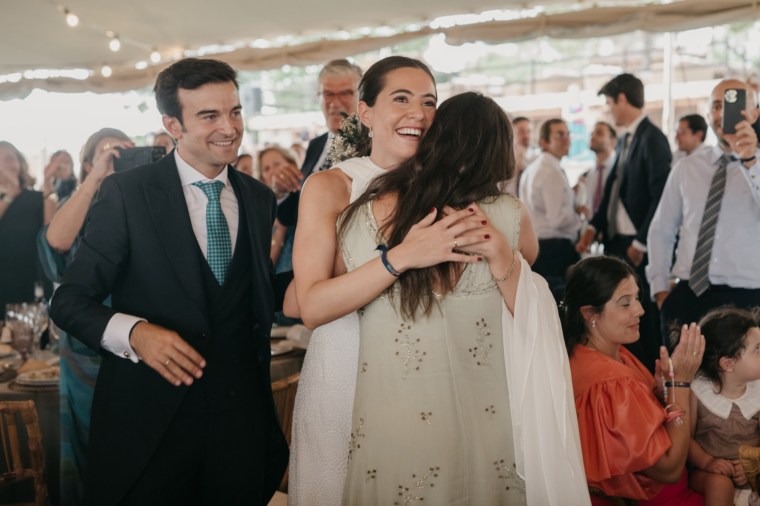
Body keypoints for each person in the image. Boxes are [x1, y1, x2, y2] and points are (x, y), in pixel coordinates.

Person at [50, 58, 292, 506]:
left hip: (239, 426)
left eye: (235, 112)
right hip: (150, 428)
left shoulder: (258, 198)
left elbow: (246, 292)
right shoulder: (128, 193)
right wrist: (136, 334)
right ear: (172, 125)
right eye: (210, 116)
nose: (230, 128)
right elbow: (68, 300)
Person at [335, 91, 587, 504]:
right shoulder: (510, 216)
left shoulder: (368, 212)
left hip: (394, 411)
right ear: (499, 151)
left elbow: (332, 292)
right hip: (490, 411)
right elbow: (527, 303)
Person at [288, 55, 456, 505]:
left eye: (428, 102)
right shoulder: (331, 186)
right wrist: (400, 257)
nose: (418, 113)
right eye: (401, 99)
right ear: (365, 112)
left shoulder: (448, 187)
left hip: (426, 375)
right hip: (345, 368)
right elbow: (311, 306)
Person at [561, 255, 705, 505]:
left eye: (637, 298)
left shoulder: (595, 351)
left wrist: (661, 395)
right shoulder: (610, 381)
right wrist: (680, 384)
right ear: (590, 313)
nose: (640, 310)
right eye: (625, 303)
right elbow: (669, 469)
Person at [38, 128, 133, 506]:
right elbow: (56, 243)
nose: (115, 158)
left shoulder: (140, 204)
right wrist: (97, 178)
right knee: (87, 451)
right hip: (83, 354)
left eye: (123, 152)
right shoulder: (77, 207)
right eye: (106, 153)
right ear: (89, 163)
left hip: (135, 342)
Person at [647, 79, 760, 339]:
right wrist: (660, 289)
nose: (723, 114)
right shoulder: (687, 167)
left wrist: (750, 161)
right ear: (708, 114)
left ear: (754, 114)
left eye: (734, 106)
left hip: (749, 300)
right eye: (717, 106)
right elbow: (662, 228)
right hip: (689, 295)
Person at [577, 73, 672, 369]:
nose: (609, 110)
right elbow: (612, 191)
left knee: (639, 318)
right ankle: (625, 372)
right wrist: (593, 226)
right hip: (617, 242)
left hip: (637, 246)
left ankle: (647, 376)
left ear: (622, 99)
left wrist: (641, 242)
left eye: (609, 103)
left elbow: (661, 196)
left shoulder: (653, 138)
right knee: (617, 316)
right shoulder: (625, 140)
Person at [274, 59, 364, 228]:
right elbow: (293, 217)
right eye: (328, 94)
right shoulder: (316, 145)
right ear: (319, 97)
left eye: (345, 93)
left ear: (362, 97)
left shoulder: (373, 145)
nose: (335, 103)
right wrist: (282, 191)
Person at [688, 306, 760, 506]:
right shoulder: (698, 391)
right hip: (708, 470)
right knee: (719, 485)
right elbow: (686, 440)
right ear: (728, 364)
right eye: (758, 349)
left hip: (752, 465)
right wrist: (708, 462)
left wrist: (754, 464)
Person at [519, 117, 582, 299]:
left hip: (539, 247)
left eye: (568, 134)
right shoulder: (551, 171)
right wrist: (580, 217)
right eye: (560, 135)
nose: (567, 139)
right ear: (544, 142)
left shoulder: (534, 168)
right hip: (554, 250)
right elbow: (557, 220)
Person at [0, 140, 55, 311]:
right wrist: (9, 195)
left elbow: (52, 233)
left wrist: (48, 184)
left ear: (20, 163)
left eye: (9, 158)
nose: (5, 163)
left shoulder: (38, 198)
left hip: (31, 285)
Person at [257, 145, 297, 271]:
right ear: (262, 178)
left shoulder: (306, 194)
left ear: (292, 164)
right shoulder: (261, 212)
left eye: (277, 164)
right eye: (266, 169)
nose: (274, 171)